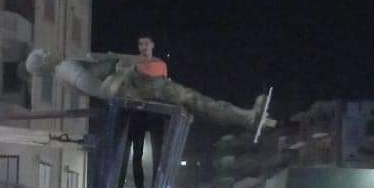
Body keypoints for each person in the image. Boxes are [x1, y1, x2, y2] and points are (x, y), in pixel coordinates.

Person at [26, 48, 272, 135]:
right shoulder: (66, 69)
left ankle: (246, 117)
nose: (49, 52)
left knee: (193, 101)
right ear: (43, 64)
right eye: (44, 54)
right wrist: (124, 71)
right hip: (139, 88)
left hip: (139, 87)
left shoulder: (65, 71)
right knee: (193, 99)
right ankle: (247, 118)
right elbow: (104, 91)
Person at [118, 36, 168, 188]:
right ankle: (139, 187)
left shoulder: (160, 65)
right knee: (137, 150)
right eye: (140, 44)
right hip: (138, 110)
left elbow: (163, 87)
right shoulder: (134, 64)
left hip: (155, 111)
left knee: (157, 151)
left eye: (146, 44)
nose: (143, 47)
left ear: (152, 45)